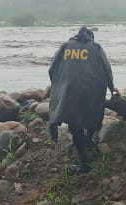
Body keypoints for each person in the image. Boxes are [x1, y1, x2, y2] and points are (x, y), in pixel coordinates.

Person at [48, 26, 119, 172]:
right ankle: (89, 141)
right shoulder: (96, 47)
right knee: (93, 117)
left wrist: (57, 87)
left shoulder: (65, 47)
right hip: (92, 90)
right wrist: (112, 88)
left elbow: (52, 68)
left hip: (70, 92)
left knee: (74, 124)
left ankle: (84, 162)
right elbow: (106, 68)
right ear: (91, 38)